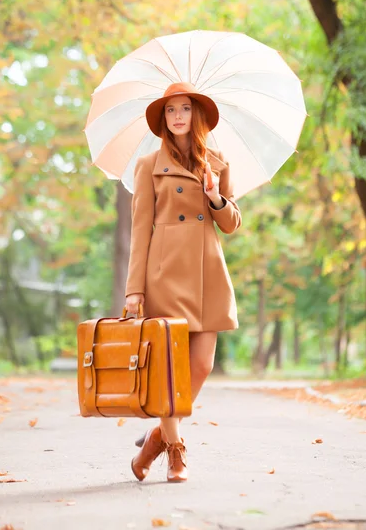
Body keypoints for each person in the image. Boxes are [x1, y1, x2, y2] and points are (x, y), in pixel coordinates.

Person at [124, 82, 242, 483]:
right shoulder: (147, 166)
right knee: (170, 374)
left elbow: (232, 225)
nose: (178, 116)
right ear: (163, 119)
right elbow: (140, 231)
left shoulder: (218, 162)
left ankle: (156, 437)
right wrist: (133, 290)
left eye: (185, 109)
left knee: (203, 366)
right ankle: (175, 452)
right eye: (171, 110)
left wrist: (214, 197)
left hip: (208, 273)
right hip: (164, 277)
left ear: (197, 116)